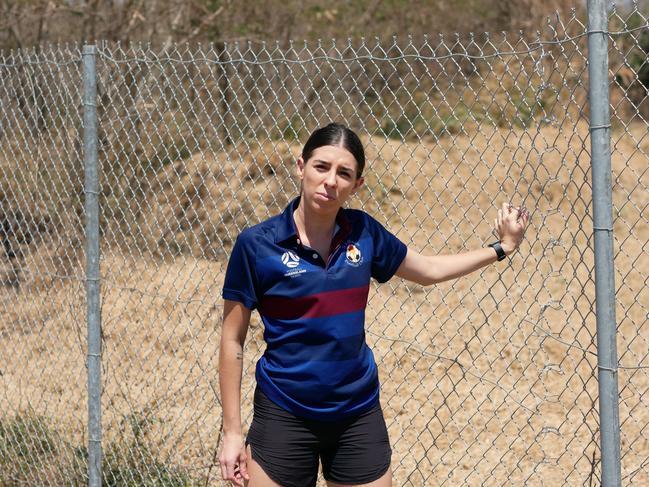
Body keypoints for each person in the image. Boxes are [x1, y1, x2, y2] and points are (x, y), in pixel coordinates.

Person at [218, 122, 529, 487]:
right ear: (301, 167)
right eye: (321, 167)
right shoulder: (257, 245)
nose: (330, 181)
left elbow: (428, 270)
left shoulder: (364, 233)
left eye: (344, 173)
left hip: (356, 414)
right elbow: (232, 341)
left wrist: (501, 249)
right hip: (284, 412)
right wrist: (233, 433)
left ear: (357, 185)